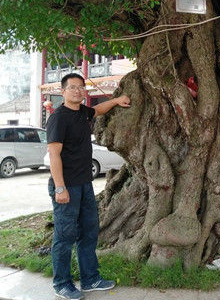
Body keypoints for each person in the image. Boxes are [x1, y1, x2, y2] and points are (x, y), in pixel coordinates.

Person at [46, 73, 130, 300]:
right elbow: (54, 154)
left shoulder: (83, 113)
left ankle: (90, 278)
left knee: (89, 232)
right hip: (66, 186)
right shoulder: (58, 118)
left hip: (84, 184)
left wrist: (116, 100)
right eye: (72, 88)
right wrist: (60, 188)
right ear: (63, 92)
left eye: (81, 87)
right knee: (65, 236)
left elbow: (99, 110)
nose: (77, 91)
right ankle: (62, 283)